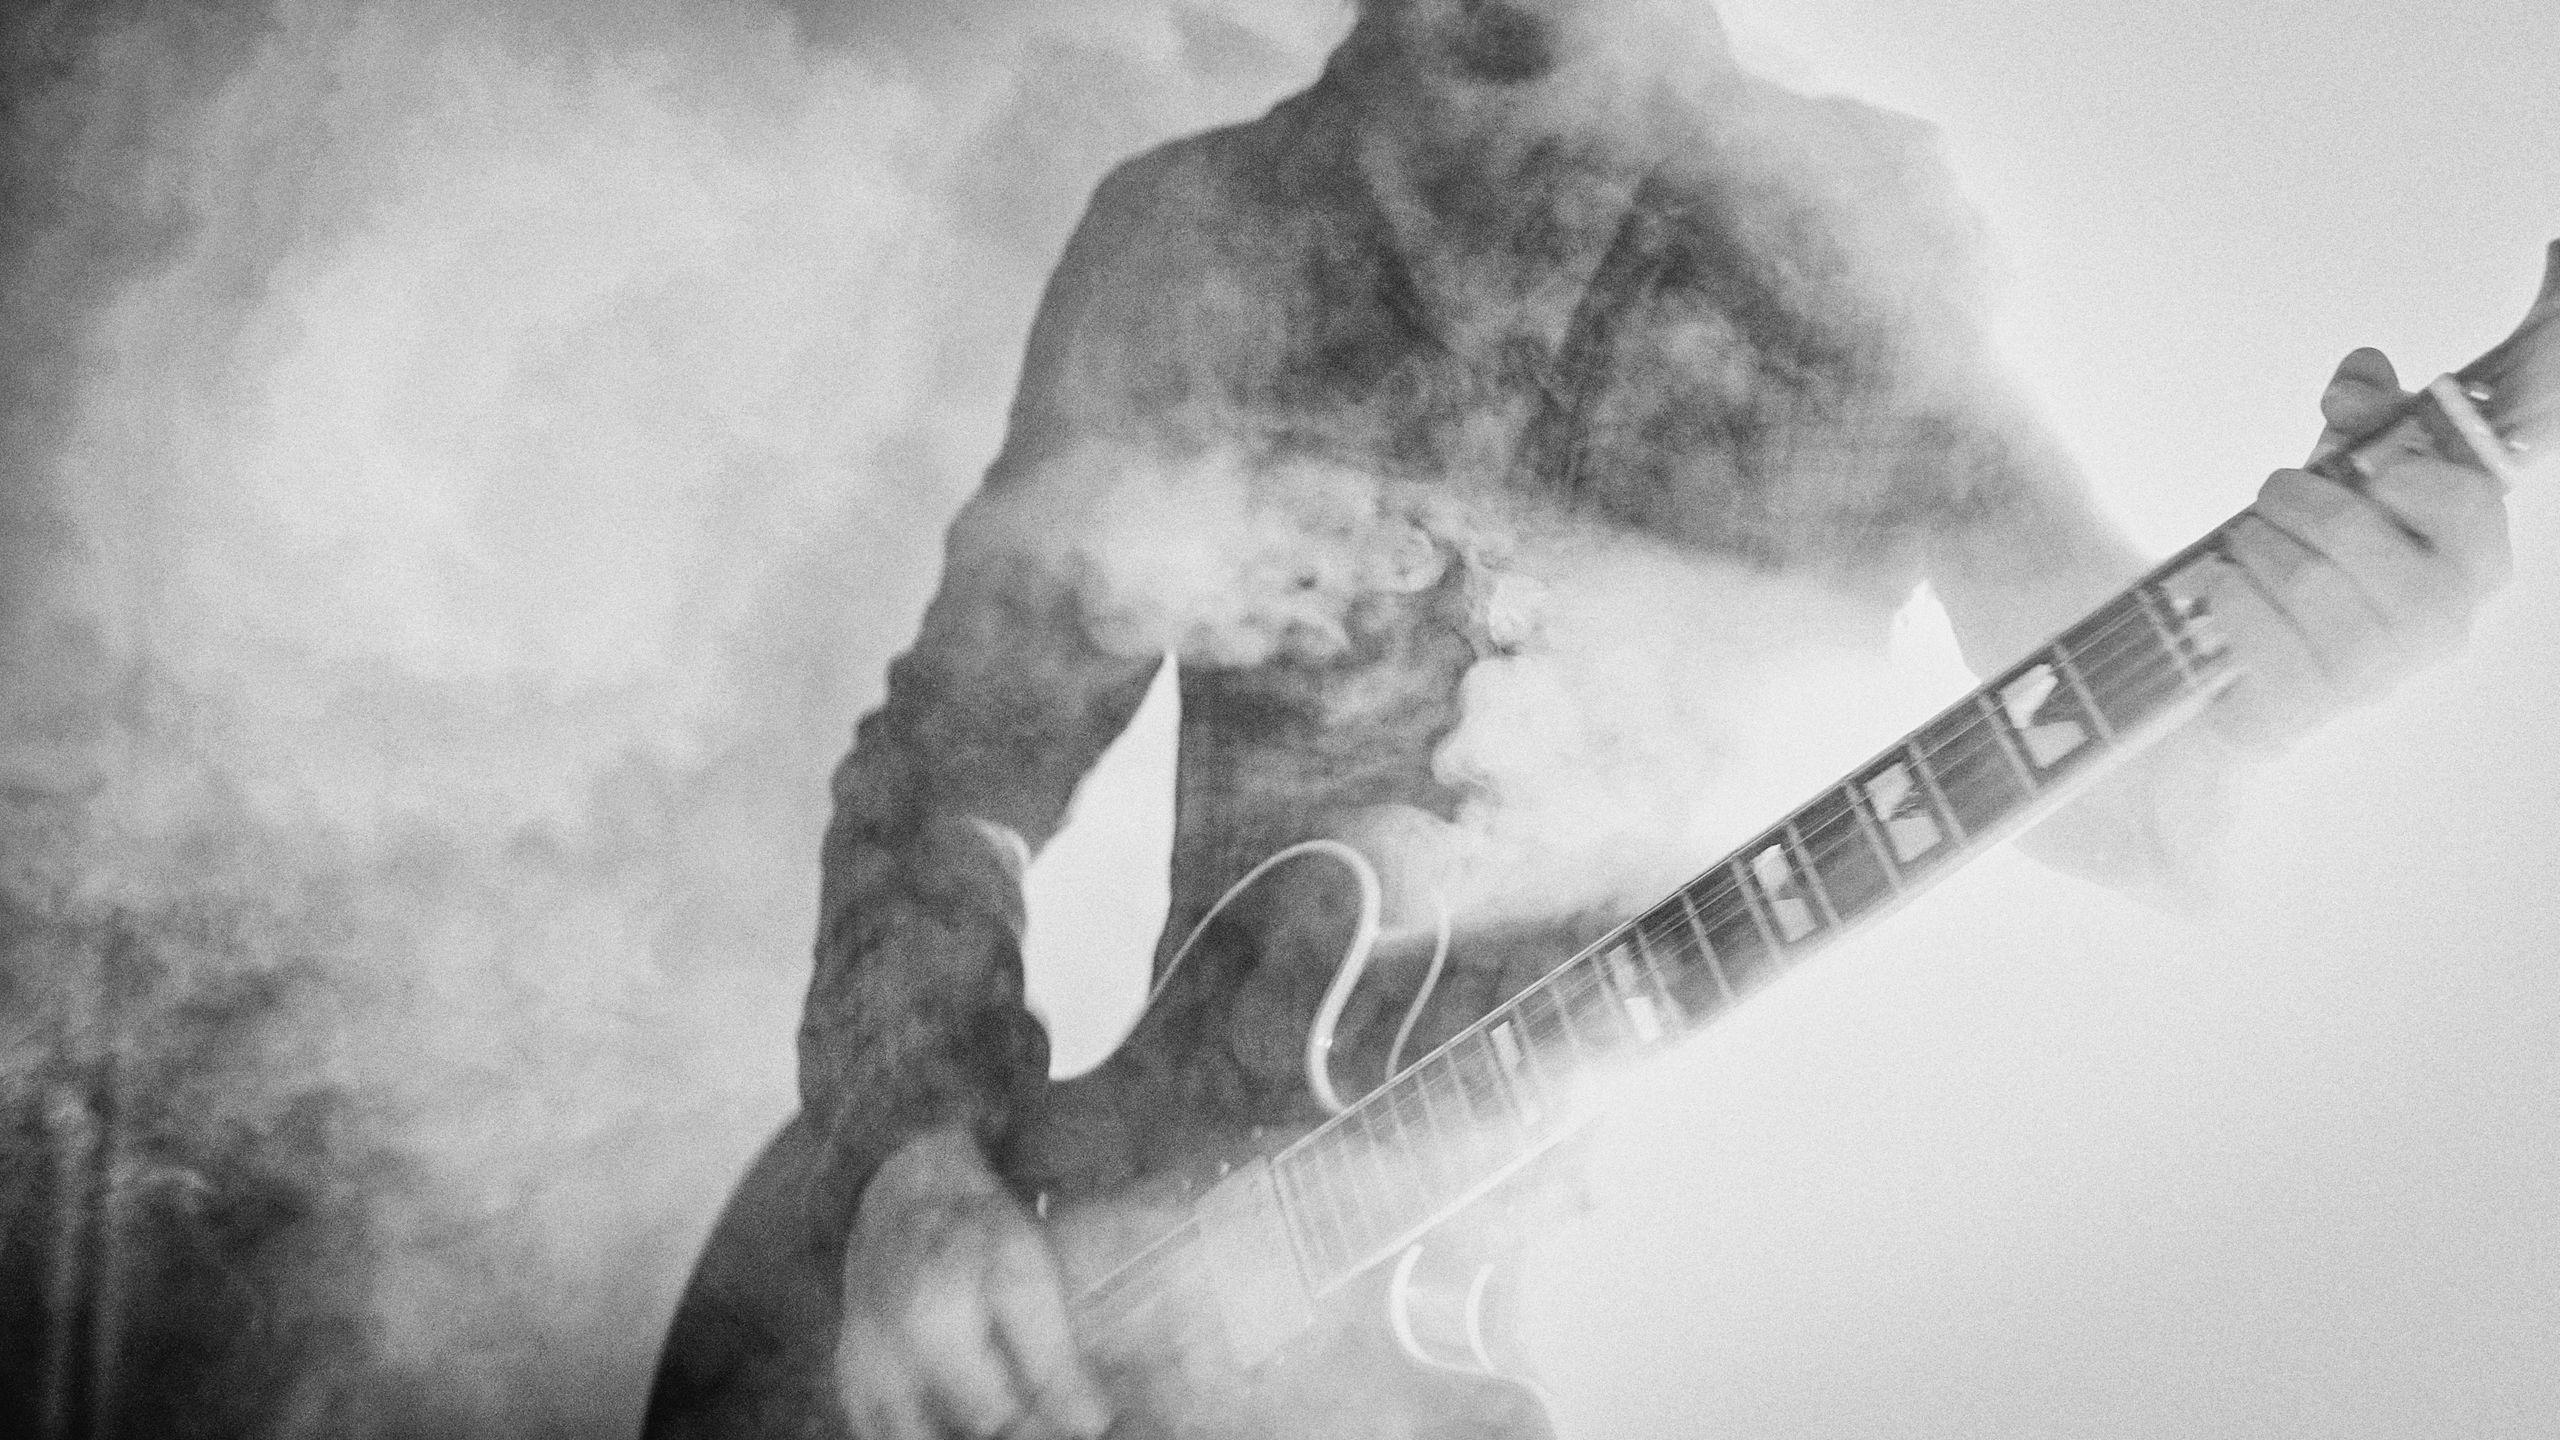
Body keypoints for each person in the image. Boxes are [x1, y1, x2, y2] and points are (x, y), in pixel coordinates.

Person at [644, 3, 2513, 1437]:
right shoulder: (1192, 237)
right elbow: (953, 769)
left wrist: (2312, 658)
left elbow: (2132, 790)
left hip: (1663, 1311)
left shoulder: (1855, 230)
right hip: (1122, 1266)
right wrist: (909, 1167)